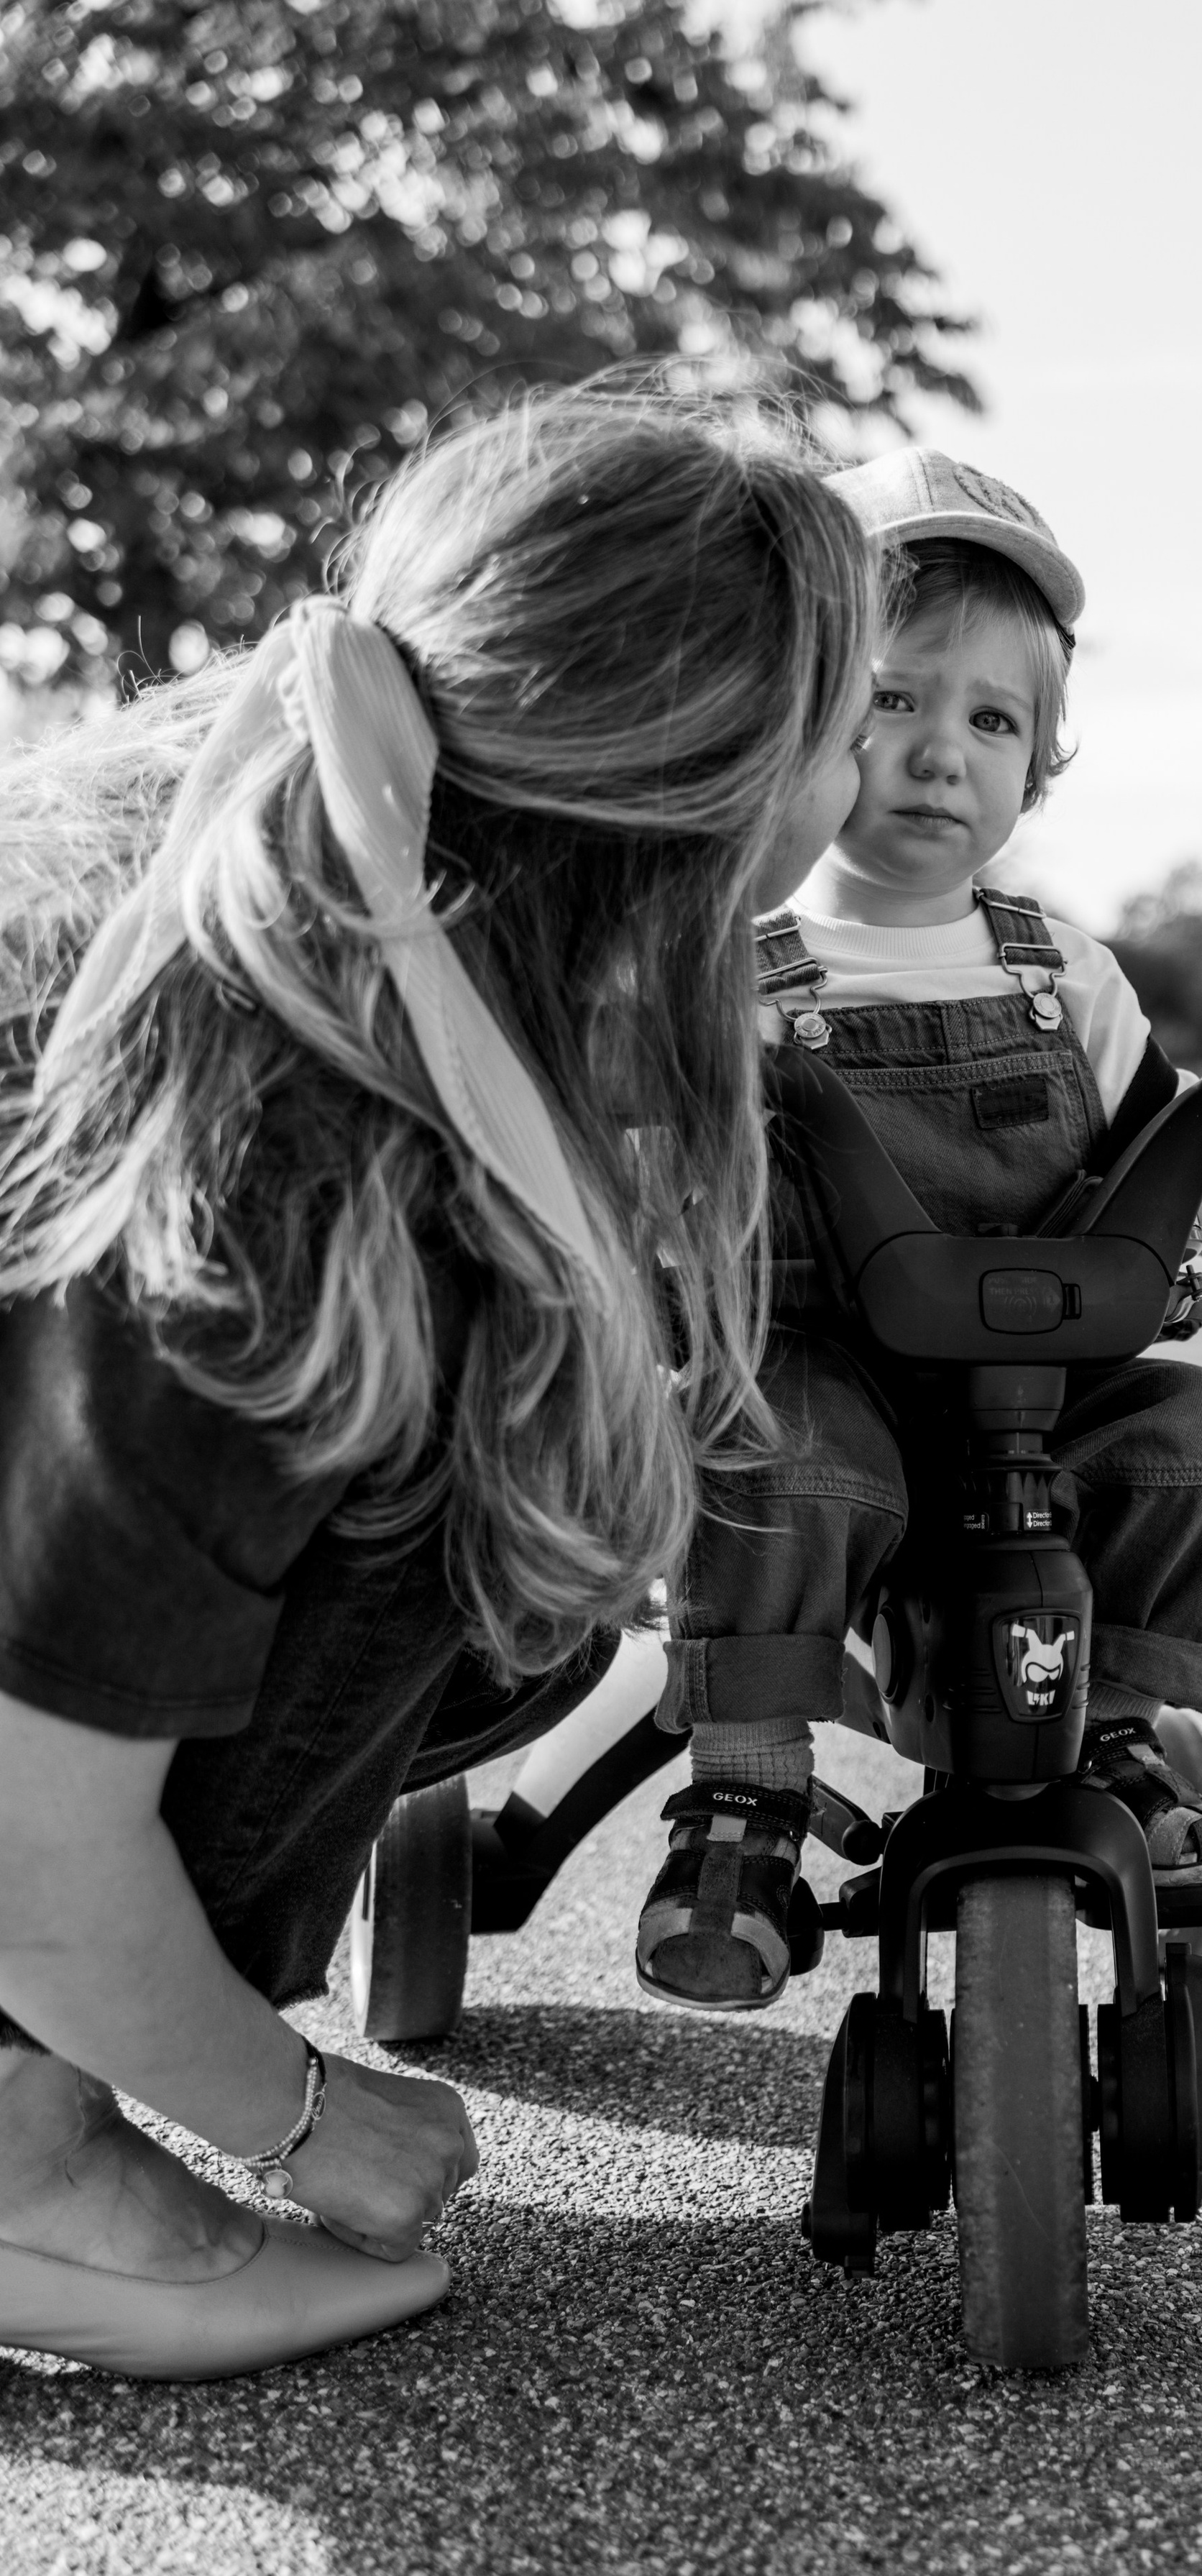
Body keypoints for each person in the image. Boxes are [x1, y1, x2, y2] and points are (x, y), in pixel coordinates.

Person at [0, 388, 879, 2378]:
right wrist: (294, 2110)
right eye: (846, 724)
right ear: (707, 808)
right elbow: (21, 1836)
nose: (866, 775)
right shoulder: (283, 1168)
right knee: (464, 1494)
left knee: (528, 1579)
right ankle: (16, 2154)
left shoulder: (263, 883)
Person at [635, 449, 1202, 2012]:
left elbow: (1174, 1175)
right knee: (762, 1451)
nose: (938, 755)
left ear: (1038, 770)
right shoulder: (721, 961)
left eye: (991, 721)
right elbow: (634, 1173)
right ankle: (740, 1801)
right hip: (834, 1383)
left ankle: (1117, 1736)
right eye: (890, 701)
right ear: (794, 719)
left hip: (1047, 1396)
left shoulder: (1058, 974)